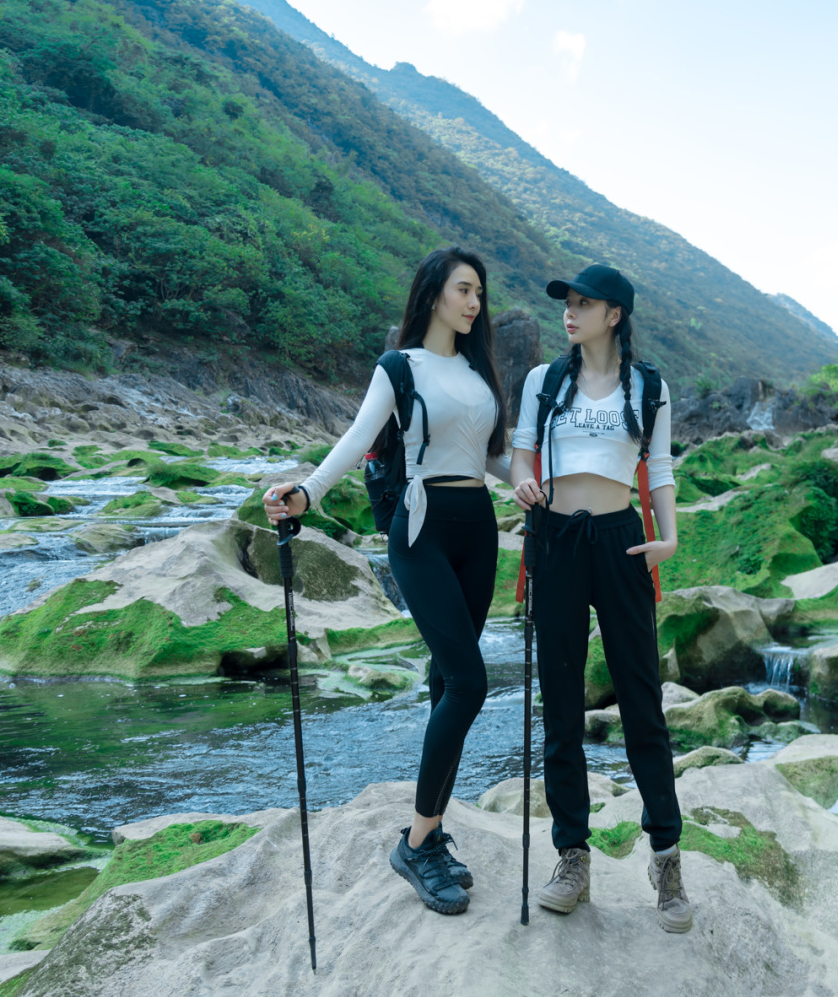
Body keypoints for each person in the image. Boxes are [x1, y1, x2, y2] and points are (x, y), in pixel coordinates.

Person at [263, 246, 508, 916]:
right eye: (463, 289)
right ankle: (418, 842)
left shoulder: (478, 371)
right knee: (469, 682)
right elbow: (357, 436)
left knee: (447, 682)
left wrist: (548, 486)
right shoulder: (400, 366)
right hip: (422, 528)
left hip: (479, 529)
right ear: (433, 293)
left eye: (479, 293)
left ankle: (432, 831)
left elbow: (492, 457)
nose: (474, 302)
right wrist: (307, 493)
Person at [509, 263, 691, 932]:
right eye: (567, 302)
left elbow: (659, 466)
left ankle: (666, 859)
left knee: (642, 702)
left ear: (615, 314)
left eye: (584, 303)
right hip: (555, 539)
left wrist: (668, 537)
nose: (570, 312)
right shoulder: (543, 380)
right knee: (560, 705)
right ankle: (572, 857)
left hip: (621, 541)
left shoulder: (649, 386)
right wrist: (522, 483)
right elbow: (522, 454)